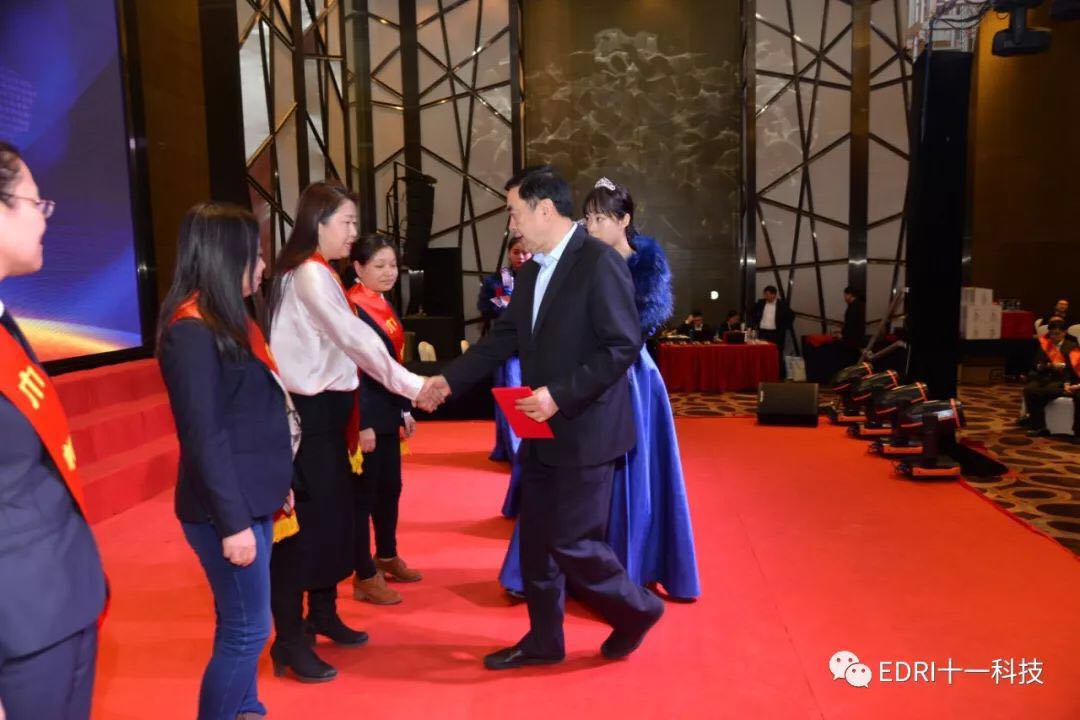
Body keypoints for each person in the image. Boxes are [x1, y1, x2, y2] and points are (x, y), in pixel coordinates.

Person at [424, 165, 665, 670]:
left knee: (573, 541)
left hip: (587, 427)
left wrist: (558, 394)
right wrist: (448, 381)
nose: (510, 224)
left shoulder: (598, 262)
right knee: (535, 541)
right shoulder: (532, 271)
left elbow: (621, 346)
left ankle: (637, 610)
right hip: (539, 428)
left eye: (514, 212)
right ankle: (543, 639)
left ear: (544, 209)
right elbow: (502, 340)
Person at [263, 181, 441, 682]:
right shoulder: (310, 275)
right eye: (346, 222)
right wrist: (415, 386)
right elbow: (355, 339)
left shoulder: (317, 271)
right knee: (308, 532)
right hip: (313, 418)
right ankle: (291, 639)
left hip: (331, 416)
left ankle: (322, 613)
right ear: (317, 221)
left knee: (333, 523)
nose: (352, 232)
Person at [497, 176, 700, 601]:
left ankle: (625, 566)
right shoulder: (574, 260)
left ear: (624, 220)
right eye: (587, 217)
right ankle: (551, 568)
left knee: (626, 467)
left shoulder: (644, 264)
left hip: (631, 376)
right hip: (577, 373)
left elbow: (631, 333)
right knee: (559, 471)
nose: (591, 226)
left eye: (601, 218)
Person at [157, 202, 296, 719]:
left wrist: (275, 481)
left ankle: (246, 709)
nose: (262, 266)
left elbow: (252, 414)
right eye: (253, 255)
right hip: (225, 511)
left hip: (251, 496)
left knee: (239, 622)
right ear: (223, 256)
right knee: (249, 631)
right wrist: (234, 523)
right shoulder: (191, 330)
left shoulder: (231, 319)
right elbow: (204, 436)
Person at [0, 142, 107, 720]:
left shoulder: (5, 321)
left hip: (61, 600)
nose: (45, 219)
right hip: (17, 624)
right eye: (35, 203)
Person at [347, 234, 421, 605]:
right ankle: (363, 574)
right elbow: (351, 369)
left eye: (393, 265)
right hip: (366, 415)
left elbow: (394, 364)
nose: (389, 272)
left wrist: (404, 408)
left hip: (389, 410)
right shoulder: (351, 308)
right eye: (379, 265)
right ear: (358, 268)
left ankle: (387, 555)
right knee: (364, 496)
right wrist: (360, 423)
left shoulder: (382, 302)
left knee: (391, 488)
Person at [477, 234, 532, 519]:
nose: (521, 257)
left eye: (525, 252)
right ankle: (512, 449)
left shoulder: (541, 275)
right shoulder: (498, 280)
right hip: (507, 350)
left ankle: (521, 448)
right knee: (510, 397)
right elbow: (488, 308)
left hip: (535, 348)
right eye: (516, 252)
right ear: (509, 254)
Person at [1020, 318, 1080, 440]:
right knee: (1029, 390)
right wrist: (1046, 366)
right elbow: (1036, 364)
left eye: (1057, 334)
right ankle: (1039, 426)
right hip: (1044, 377)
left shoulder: (1072, 346)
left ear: (1064, 333)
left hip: (1062, 379)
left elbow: (1076, 367)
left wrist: (1063, 368)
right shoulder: (1045, 345)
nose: (1054, 337)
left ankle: (1035, 422)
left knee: (1043, 392)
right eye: (1052, 334)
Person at [751, 285, 795, 377]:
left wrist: (784, 328)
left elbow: (791, 315)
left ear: (774, 295)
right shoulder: (760, 303)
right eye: (765, 294)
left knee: (776, 354)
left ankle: (777, 375)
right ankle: (762, 374)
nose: (765, 296)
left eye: (767, 294)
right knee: (762, 353)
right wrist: (755, 324)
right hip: (763, 332)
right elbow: (752, 313)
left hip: (776, 334)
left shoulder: (782, 305)